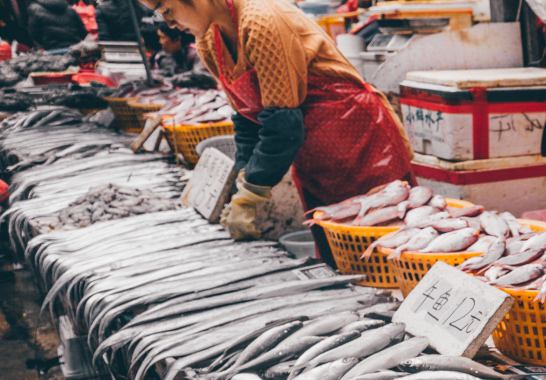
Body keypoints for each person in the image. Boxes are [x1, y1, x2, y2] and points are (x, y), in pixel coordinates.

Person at [142, 0, 410, 239]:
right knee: (334, 239)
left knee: (382, 236)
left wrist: (253, 192)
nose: (170, 23)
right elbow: (246, 120)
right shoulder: (209, 41)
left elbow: (282, 125)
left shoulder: (260, 20)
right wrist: (243, 182)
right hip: (309, 149)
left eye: (167, 10)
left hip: (358, 142)